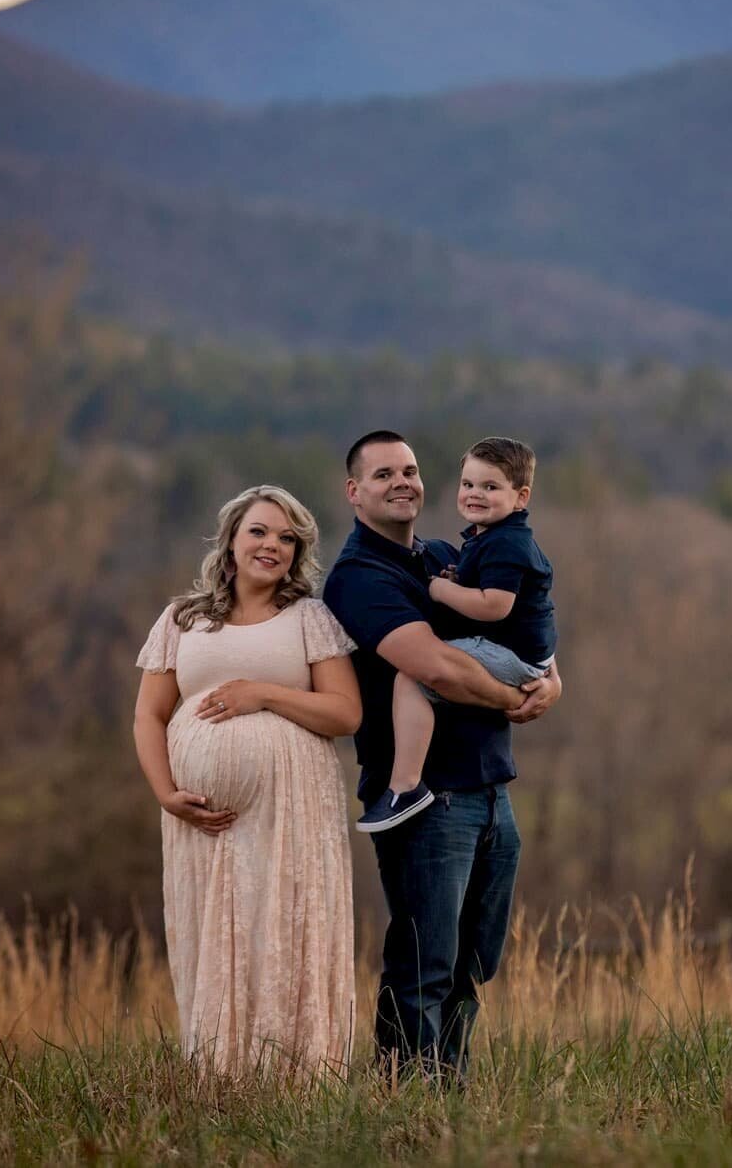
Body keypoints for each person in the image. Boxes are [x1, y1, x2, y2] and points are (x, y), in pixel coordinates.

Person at [322, 431, 564, 1079]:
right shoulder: (358, 577)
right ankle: (405, 1089)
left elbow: (515, 621)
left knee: (473, 959)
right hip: (427, 799)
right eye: (382, 474)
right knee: (425, 956)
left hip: (489, 785)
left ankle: (449, 1087)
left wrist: (550, 678)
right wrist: (514, 696)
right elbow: (436, 668)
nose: (401, 481)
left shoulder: (439, 555)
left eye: (409, 469)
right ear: (354, 491)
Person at [130, 484, 362, 1074]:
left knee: (282, 929)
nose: (273, 545)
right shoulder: (182, 618)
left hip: (293, 810)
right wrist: (166, 795)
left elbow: (345, 713)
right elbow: (149, 715)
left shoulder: (309, 618)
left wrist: (261, 693)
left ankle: (297, 1073)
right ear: (231, 539)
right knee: (215, 932)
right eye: (259, 531)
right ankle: (220, 1073)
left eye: (288, 538)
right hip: (202, 820)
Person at [358, 437, 556, 833]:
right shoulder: (486, 540)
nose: (475, 494)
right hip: (529, 658)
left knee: (412, 678)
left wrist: (441, 589)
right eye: (468, 485)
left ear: (521, 497)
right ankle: (405, 784)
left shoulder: (504, 542)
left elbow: (495, 607)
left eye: (490, 487)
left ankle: (405, 785)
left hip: (517, 659)